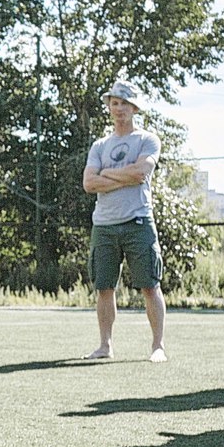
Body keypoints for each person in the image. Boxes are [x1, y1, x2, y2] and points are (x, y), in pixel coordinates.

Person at [82, 80, 167, 364]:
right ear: (109, 107)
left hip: (138, 221)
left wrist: (107, 175)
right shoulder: (100, 145)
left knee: (150, 285)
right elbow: (89, 182)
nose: (119, 109)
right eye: (114, 103)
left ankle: (158, 346)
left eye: (125, 104)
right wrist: (124, 175)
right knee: (104, 287)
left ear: (134, 108)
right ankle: (105, 345)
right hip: (104, 224)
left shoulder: (147, 140)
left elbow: (141, 173)